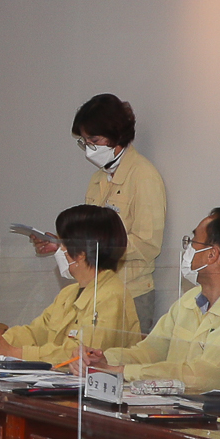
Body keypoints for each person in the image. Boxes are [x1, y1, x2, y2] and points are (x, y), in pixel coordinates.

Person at [83, 203, 220, 393]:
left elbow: (202, 377)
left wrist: (122, 371)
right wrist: (101, 359)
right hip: (179, 408)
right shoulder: (191, 299)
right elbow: (149, 352)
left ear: (212, 255)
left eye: (193, 241)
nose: (188, 249)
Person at [0, 204, 141, 363]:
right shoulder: (69, 293)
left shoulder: (111, 296)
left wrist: (16, 352)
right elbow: (35, 333)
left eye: (62, 243)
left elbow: (83, 355)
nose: (59, 249)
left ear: (81, 253)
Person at [71, 95, 166, 323]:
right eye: (84, 141)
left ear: (117, 135)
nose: (89, 148)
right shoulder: (98, 178)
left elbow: (147, 244)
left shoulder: (143, 176)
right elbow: (91, 231)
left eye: (94, 140)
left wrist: (100, 248)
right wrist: (65, 244)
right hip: (97, 289)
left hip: (131, 292)